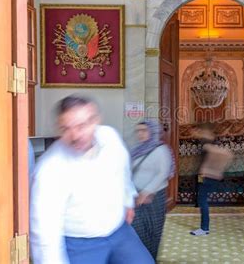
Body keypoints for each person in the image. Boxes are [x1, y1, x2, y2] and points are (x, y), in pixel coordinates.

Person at [30, 95, 154, 264]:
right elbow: (44, 234)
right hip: (78, 243)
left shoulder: (110, 137)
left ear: (95, 120)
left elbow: (122, 170)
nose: (75, 135)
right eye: (66, 128)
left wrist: (127, 200)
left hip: (119, 232)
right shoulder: (49, 168)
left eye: (82, 126)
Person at [130, 120, 174, 261]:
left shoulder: (161, 150)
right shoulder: (137, 149)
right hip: (136, 195)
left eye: (144, 130)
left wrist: (147, 192)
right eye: (138, 131)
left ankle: (150, 259)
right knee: (138, 231)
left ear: (153, 131)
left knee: (153, 231)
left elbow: (163, 173)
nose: (140, 134)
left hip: (154, 197)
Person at [190, 123, 233, 236]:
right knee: (201, 199)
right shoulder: (209, 141)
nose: (194, 133)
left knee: (202, 200)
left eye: (196, 131)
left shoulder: (207, 143)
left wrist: (209, 169)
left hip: (206, 176)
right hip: (202, 175)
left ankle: (204, 228)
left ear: (203, 131)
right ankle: (204, 227)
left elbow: (227, 154)